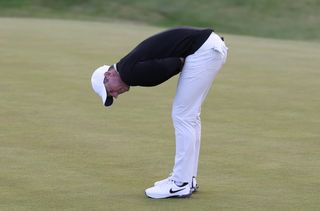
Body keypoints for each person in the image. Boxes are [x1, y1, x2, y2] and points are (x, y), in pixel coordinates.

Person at [91, 26, 228, 199]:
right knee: (189, 116)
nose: (116, 95)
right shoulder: (128, 68)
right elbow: (164, 66)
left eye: (110, 91)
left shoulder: (127, 72)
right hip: (209, 47)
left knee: (182, 115)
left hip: (203, 49)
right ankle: (187, 179)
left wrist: (180, 61)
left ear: (108, 74)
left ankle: (180, 183)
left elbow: (165, 67)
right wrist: (180, 61)